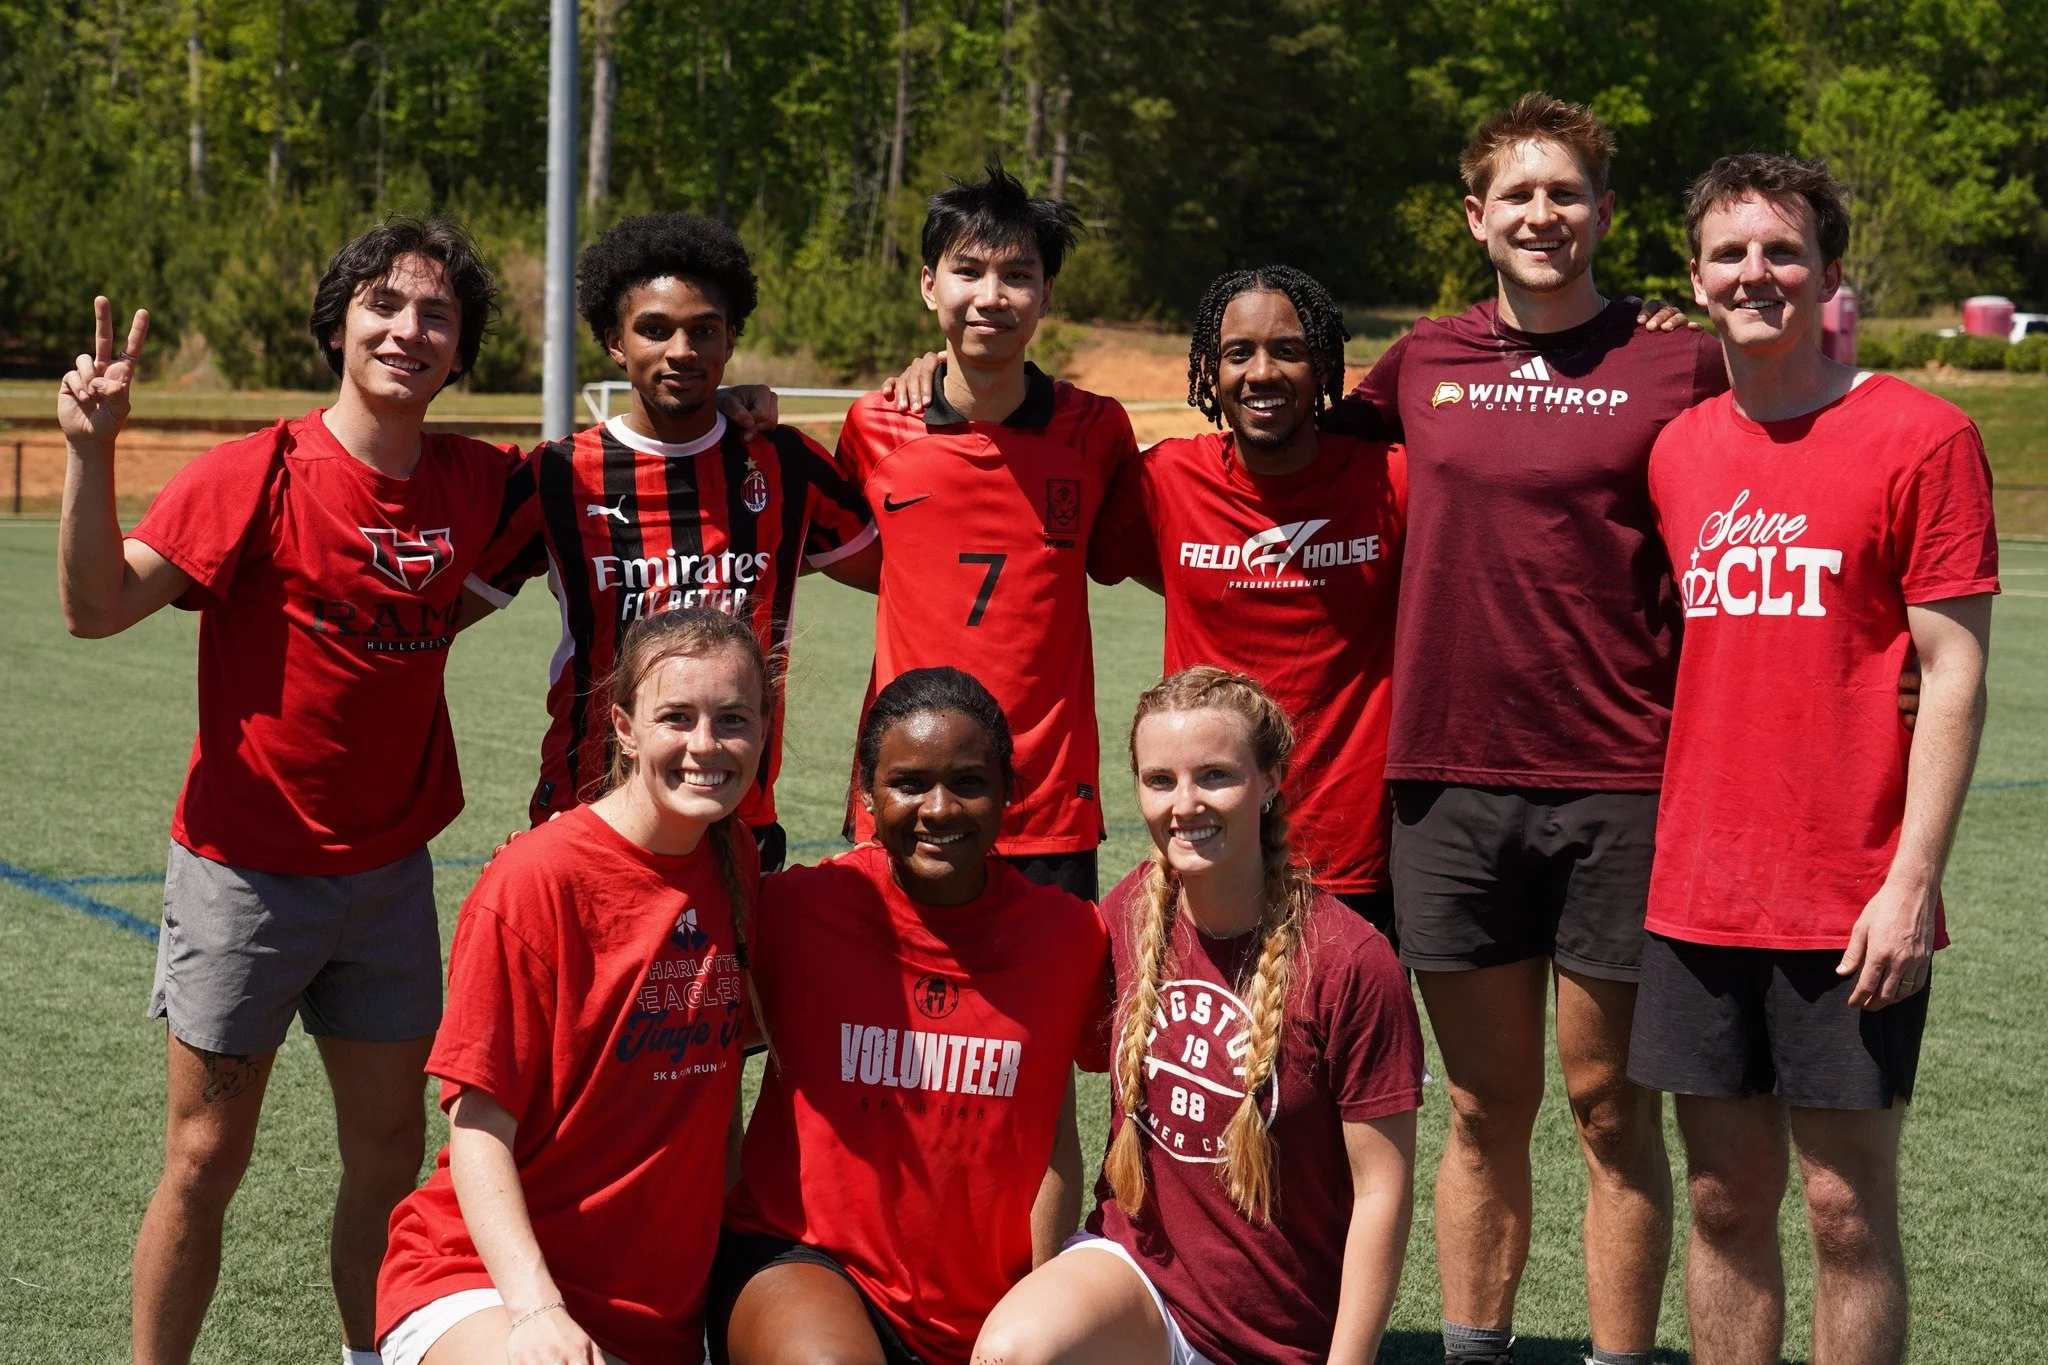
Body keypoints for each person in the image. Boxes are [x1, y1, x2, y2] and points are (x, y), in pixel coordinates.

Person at [55, 219, 527, 1365]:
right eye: (384, 305)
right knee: (206, 1160)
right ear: (336, 327)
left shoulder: (479, 480)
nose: (408, 330)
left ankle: (373, 1356)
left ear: (460, 352)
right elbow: (95, 606)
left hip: (388, 879)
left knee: (386, 1152)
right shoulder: (254, 471)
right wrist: (88, 451)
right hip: (244, 880)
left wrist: (749, 408)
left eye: (436, 316)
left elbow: (605, 477)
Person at [1316, 93, 1730, 1365]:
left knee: (1612, 1108)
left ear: (1604, 214)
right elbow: (1274, 447)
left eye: (1566, 194)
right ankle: (1473, 1352)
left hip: (1621, 777)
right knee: (1481, 1103)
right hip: (1447, 781)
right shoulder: (1420, 363)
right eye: (1517, 194)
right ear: (1474, 216)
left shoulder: (1678, 358)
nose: (1542, 214)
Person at [1633, 153, 1997, 1365]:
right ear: (1693, 281)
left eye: (1782, 251)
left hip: (1848, 895)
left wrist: (1907, 882)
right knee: (1721, 1200)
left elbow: (1950, 670)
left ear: (1829, 274)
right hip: (1696, 889)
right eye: (1729, 253)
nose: (1756, 274)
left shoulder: (1922, 435)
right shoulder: (1676, 451)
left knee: (1845, 1211)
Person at [974, 666, 1424, 1365]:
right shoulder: (1127, 910)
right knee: (1011, 1351)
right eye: (1160, 780)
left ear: (1271, 781)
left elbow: (1382, 1192)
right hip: (1137, 1280)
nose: (1185, 804)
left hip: (1276, 1330)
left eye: (1214, 775)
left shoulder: (1352, 960)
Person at [375, 607, 770, 1365]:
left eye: (732, 719)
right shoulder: (535, 881)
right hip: (486, 1285)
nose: (705, 746)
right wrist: (535, 1308)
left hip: (656, 1316)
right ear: (623, 726)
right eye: (676, 717)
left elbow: (714, 1110)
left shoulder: (735, 859)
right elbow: (477, 1130)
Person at [712, 667, 1112, 1365]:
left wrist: (1041, 1296)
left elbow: (1055, 1135)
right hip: (802, 1258)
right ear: (867, 794)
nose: (939, 808)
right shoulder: (795, 909)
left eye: (969, 781)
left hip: (985, 1305)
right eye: (908, 783)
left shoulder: (1071, 936)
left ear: (1008, 792)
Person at [465, 212, 877, 873]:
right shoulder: (557, 476)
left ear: (730, 339)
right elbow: (444, 612)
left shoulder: (783, 464)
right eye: (655, 329)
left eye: (703, 329)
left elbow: (905, 571)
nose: (681, 349)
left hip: (738, 820)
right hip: (591, 812)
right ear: (615, 343)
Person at [832, 165, 1140, 900]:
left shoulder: (1096, 430)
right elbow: (836, 549)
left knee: (1051, 1012)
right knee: (888, 1011)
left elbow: (1118, 556)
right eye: (967, 271)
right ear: (929, 284)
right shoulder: (875, 426)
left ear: (1046, 294)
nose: (991, 297)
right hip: (904, 790)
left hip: (1048, 800)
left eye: (1017, 274)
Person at [1089, 265, 1406, 941]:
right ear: (1209, 369)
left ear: (1324, 365)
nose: (1262, 372)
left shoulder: (1392, 482)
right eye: (1239, 353)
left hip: (1353, 860)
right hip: (1207, 846)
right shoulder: (1165, 481)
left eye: (1287, 350)